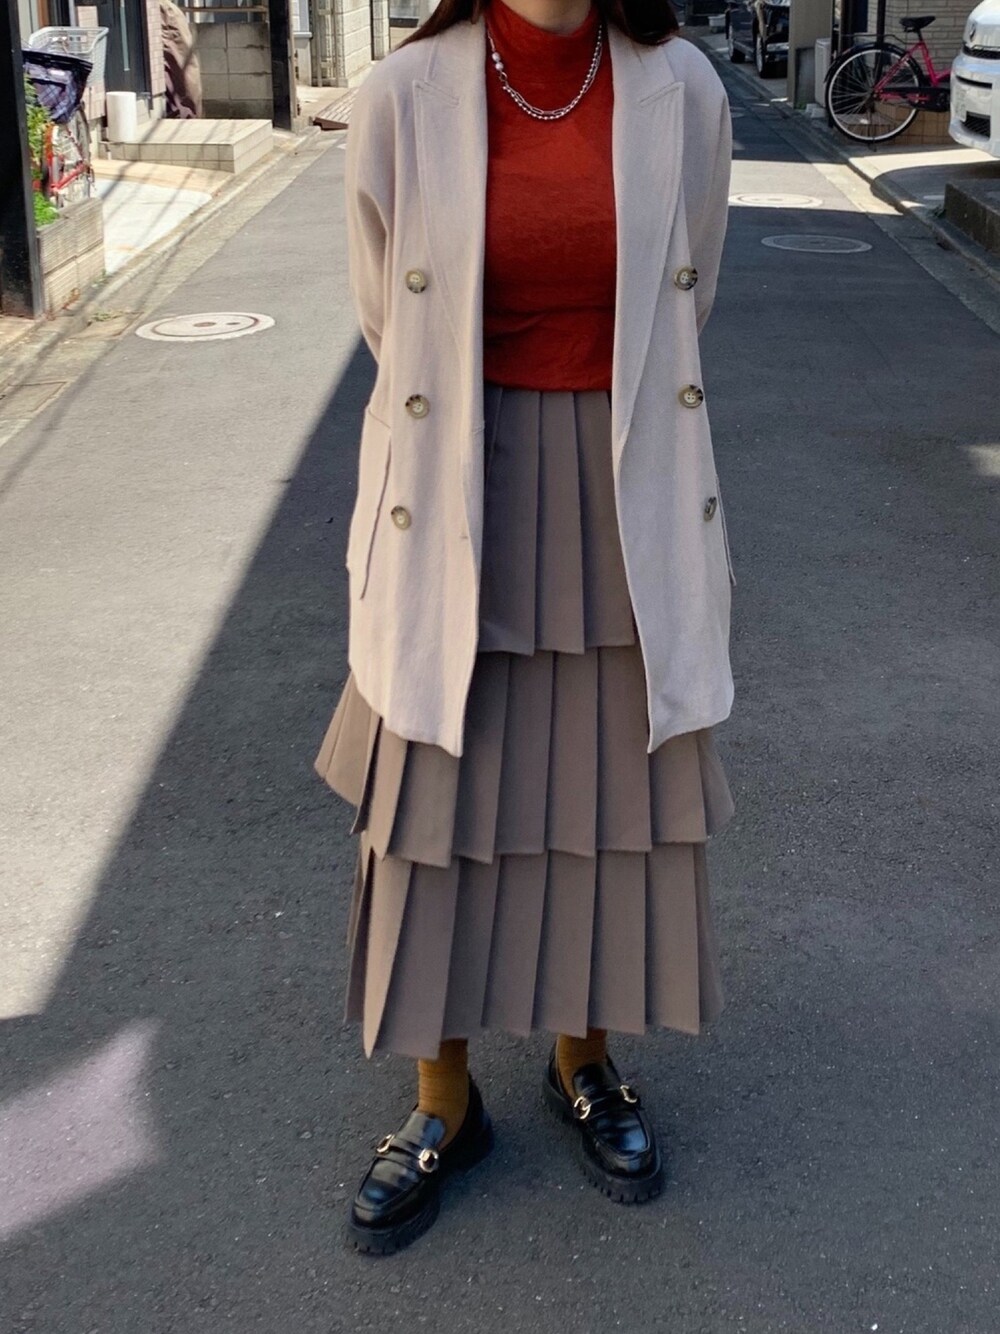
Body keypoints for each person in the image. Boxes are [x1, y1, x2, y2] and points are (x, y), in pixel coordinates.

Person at [314, 0, 736, 1256]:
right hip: (456, 476)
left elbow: (688, 295)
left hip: (621, 485)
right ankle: (442, 1100)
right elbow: (387, 317)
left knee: (598, 802)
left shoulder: (684, 87)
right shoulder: (401, 94)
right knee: (437, 806)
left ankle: (581, 1060)